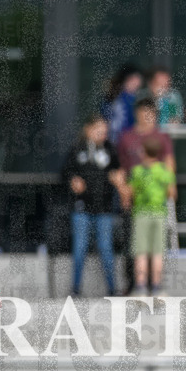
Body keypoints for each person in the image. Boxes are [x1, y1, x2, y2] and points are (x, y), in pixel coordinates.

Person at [61, 115, 126, 297]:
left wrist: (118, 179)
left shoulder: (110, 149)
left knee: (106, 248)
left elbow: (118, 170)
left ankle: (113, 289)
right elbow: (65, 171)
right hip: (81, 207)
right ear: (88, 129)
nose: (102, 134)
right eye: (99, 130)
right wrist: (73, 180)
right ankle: (75, 289)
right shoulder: (77, 148)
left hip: (104, 207)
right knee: (80, 247)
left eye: (105, 131)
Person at [117, 99, 175, 294]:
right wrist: (124, 192)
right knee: (132, 243)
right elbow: (122, 166)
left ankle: (150, 285)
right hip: (133, 198)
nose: (148, 116)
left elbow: (169, 162)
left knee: (152, 247)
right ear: (138, 113)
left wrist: (171, 186)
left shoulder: (162, 136)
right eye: (144, 112)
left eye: (151, 113)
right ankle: (133, 283)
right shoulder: (126, 137)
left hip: (153, 203)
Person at [128, 138, 175, 296]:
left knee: (141, 252)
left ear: (144, 152)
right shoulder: (164, 171)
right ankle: (156, 287)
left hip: (141, 214)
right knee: (157, 253)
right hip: (159, 215)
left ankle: (140, 287)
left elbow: (131, 194)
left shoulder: (138, 171)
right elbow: (171, 194)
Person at [101, 65, 142, 144]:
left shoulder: (132, 97)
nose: (137, 82)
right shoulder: (121, 98)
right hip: (121, 141)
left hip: (118, 141)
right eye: (134, 79)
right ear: (126, 79)